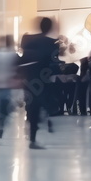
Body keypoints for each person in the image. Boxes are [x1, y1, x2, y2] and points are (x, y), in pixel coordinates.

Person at [19, 17, 59, 149]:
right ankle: (44, 123)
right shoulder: (52, 43)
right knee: (43, 102)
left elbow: (24, 58)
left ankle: (32, 134)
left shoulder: (28, 41)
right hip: (42, 80)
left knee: (32, 106)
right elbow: (53, 62)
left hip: (29, 78)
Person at [0, 35, 19, 139]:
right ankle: (1, 126)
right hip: (7, 85)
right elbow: (15, 71)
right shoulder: (12, 55)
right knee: (5, 109)